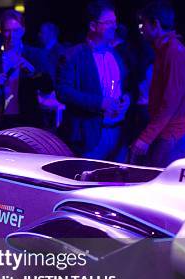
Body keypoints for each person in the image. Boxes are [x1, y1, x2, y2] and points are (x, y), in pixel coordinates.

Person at [57, 0, 130, 160]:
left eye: (115, 22)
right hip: (88, 135)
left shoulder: (116, 55)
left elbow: (123, 87)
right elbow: (63, 92)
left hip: (118, 133)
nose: (114, 26)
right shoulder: (73, 55)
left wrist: (126, 99)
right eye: (108, 22)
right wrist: (100, 103)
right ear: (93, 26)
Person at [129, 2, 185, 167]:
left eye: (143, 23)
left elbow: (170, 102)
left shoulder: (174, 53)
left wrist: (146, 138)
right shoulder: (165, 50)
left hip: (171, 135)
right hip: (167, 133)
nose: (141, 28)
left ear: (156, 24)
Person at [0, 10, 50, 133]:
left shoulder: (35, 55)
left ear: (23, 30)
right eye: (8, 30)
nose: (12, 35)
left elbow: (48, 88)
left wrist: (33, 72)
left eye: (16, 30)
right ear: (2, 31)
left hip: (27, 119)